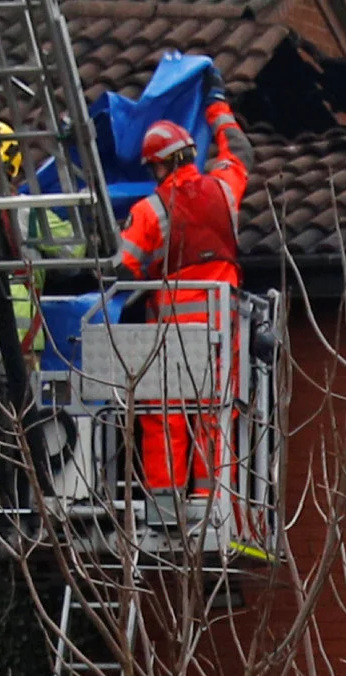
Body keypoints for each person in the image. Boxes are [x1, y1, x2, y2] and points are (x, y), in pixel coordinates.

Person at [112, 104, 251, 495]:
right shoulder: (225, 189)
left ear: (159, 166)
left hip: (172, 336)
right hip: (223, 330)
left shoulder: (151, 210)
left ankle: (166, 505)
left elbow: (123, 271)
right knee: (215, 415)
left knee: (163, 414)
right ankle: (215, 499)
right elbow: (240, 151)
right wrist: (217, 106)